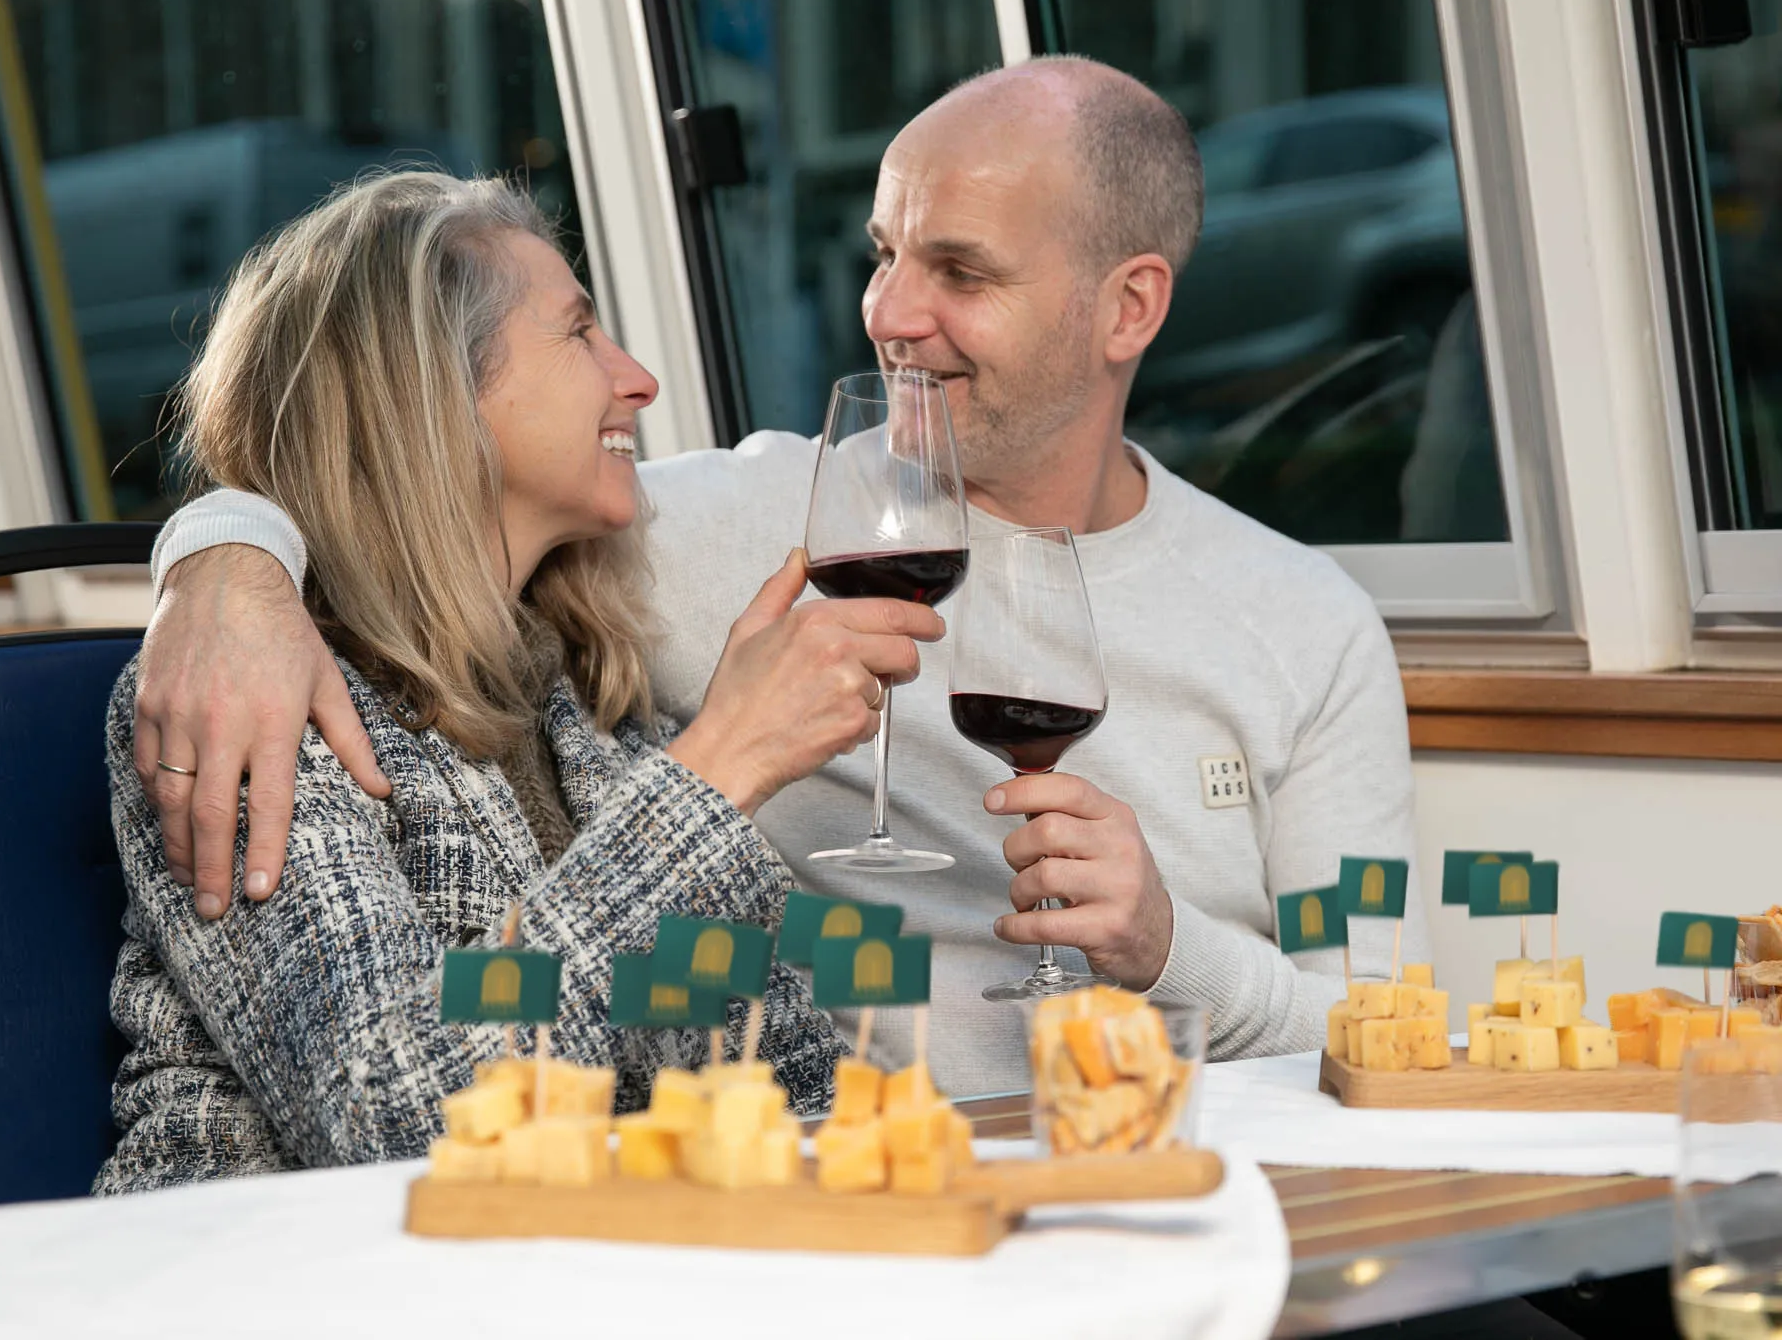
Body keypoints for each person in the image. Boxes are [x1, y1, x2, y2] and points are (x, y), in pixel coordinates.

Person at [136, 58, 1430, 1097]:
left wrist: (1169, 949)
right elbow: (374, 482)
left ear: (1129, 308)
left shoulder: (1305, 625)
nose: (889, 312)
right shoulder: (669, 539)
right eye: (885, 252)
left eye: (962, 271)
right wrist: (223, 556)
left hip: (1171, 1169)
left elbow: (1390, 1033)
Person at [96, 170, 947, 1192]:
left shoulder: (589, 707)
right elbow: (392, 1120)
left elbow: (788, 1075)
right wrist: (719, 771)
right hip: (288, 1263)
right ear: (429, 391)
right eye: (579, 332)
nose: (640, 380)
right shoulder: (247, 700)